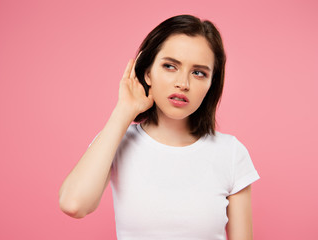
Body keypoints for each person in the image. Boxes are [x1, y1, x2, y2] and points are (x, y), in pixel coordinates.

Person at [59, 14, 260, 240]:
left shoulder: (231, 153)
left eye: (198, 73)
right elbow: (73, 204)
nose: (183, 83)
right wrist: (125, 110)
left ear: (211, 83)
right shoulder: (116, 140)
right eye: (170, 66)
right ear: (147, 72)